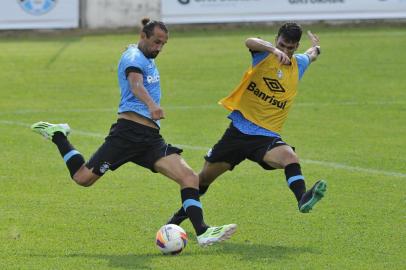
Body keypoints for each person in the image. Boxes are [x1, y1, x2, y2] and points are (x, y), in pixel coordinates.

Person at [31, 18, 236, 246]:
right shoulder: (134, 58)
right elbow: (135, 84)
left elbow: (135, 54)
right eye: (156, 42)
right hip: (128, 134)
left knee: (189, 177)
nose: (159, 48)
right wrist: (151, 105)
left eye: (163, 44)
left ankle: (203, 232)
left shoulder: (139, 52)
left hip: (150, 140)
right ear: (144, 36)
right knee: (83, 178)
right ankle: (58, 135)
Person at [167, 22, 327, 226]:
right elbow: (249, 41)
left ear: (296, 47)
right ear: (276, 38)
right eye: (282, 45)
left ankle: (303, 198)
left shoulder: (299, 64)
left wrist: (317, 47)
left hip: (266, 137)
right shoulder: (264, 55)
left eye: (290, 47)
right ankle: (176, 221)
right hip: (238, 134)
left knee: (289, 156)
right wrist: (272, 49)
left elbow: (311, 54)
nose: (286, 51)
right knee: (204, 179)